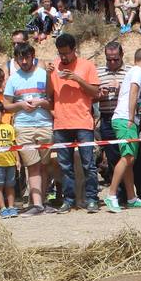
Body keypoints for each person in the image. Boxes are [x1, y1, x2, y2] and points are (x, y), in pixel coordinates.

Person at [48, 33, 101, 213]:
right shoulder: (53, 67)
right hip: (61, 123)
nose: (63, 57)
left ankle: (92, 198)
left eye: (66, 53)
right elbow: (49, 94)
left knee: (88, 164)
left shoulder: (87, 66)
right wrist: (49, 76)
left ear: (74, 50)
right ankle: (69, 200)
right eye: (60, 53)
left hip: (83, 122)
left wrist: (77, 79)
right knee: (65, 166)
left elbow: (95, 92)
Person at [3, 42, 52, 214]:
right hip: (23, 126)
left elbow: (52, 100)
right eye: (19, 58)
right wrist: (21, 105)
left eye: (26, 57)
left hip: (45, 124)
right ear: (15, 59)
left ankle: (42, 201)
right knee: (32, 164)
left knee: (45, 165)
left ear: (33, 56)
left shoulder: (43, 74)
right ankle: (37, 204)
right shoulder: (13, 79)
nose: (23, 61)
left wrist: (40, 102)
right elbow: (6, 105)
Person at [101, 48, 141, 213]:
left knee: (129, 159)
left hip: (124, 119)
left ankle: (131, 197)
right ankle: (111, 194)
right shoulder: (137, 71)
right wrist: (131, 118)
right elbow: (133, 92)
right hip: (124, 119)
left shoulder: (136, 72)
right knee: (128, 158)